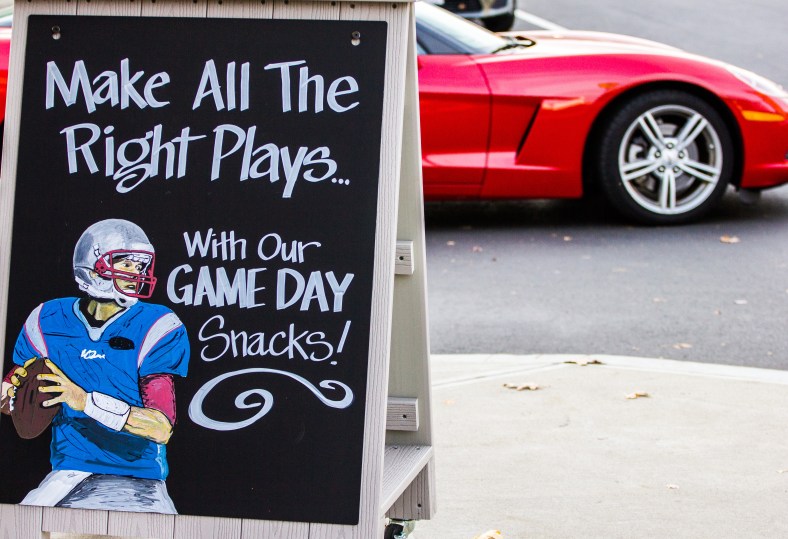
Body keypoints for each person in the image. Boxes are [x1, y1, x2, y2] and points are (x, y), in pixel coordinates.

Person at [0, 218, 189, 514]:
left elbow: (161, 427)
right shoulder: (48, 318)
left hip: (137, 478)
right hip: (68, 472)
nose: (136, 274)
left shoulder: (157, 325)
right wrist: (13, 394)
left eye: (140, 266)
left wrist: (84, 401)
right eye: (126, 263)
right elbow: (10, 393)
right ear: (93, 264)